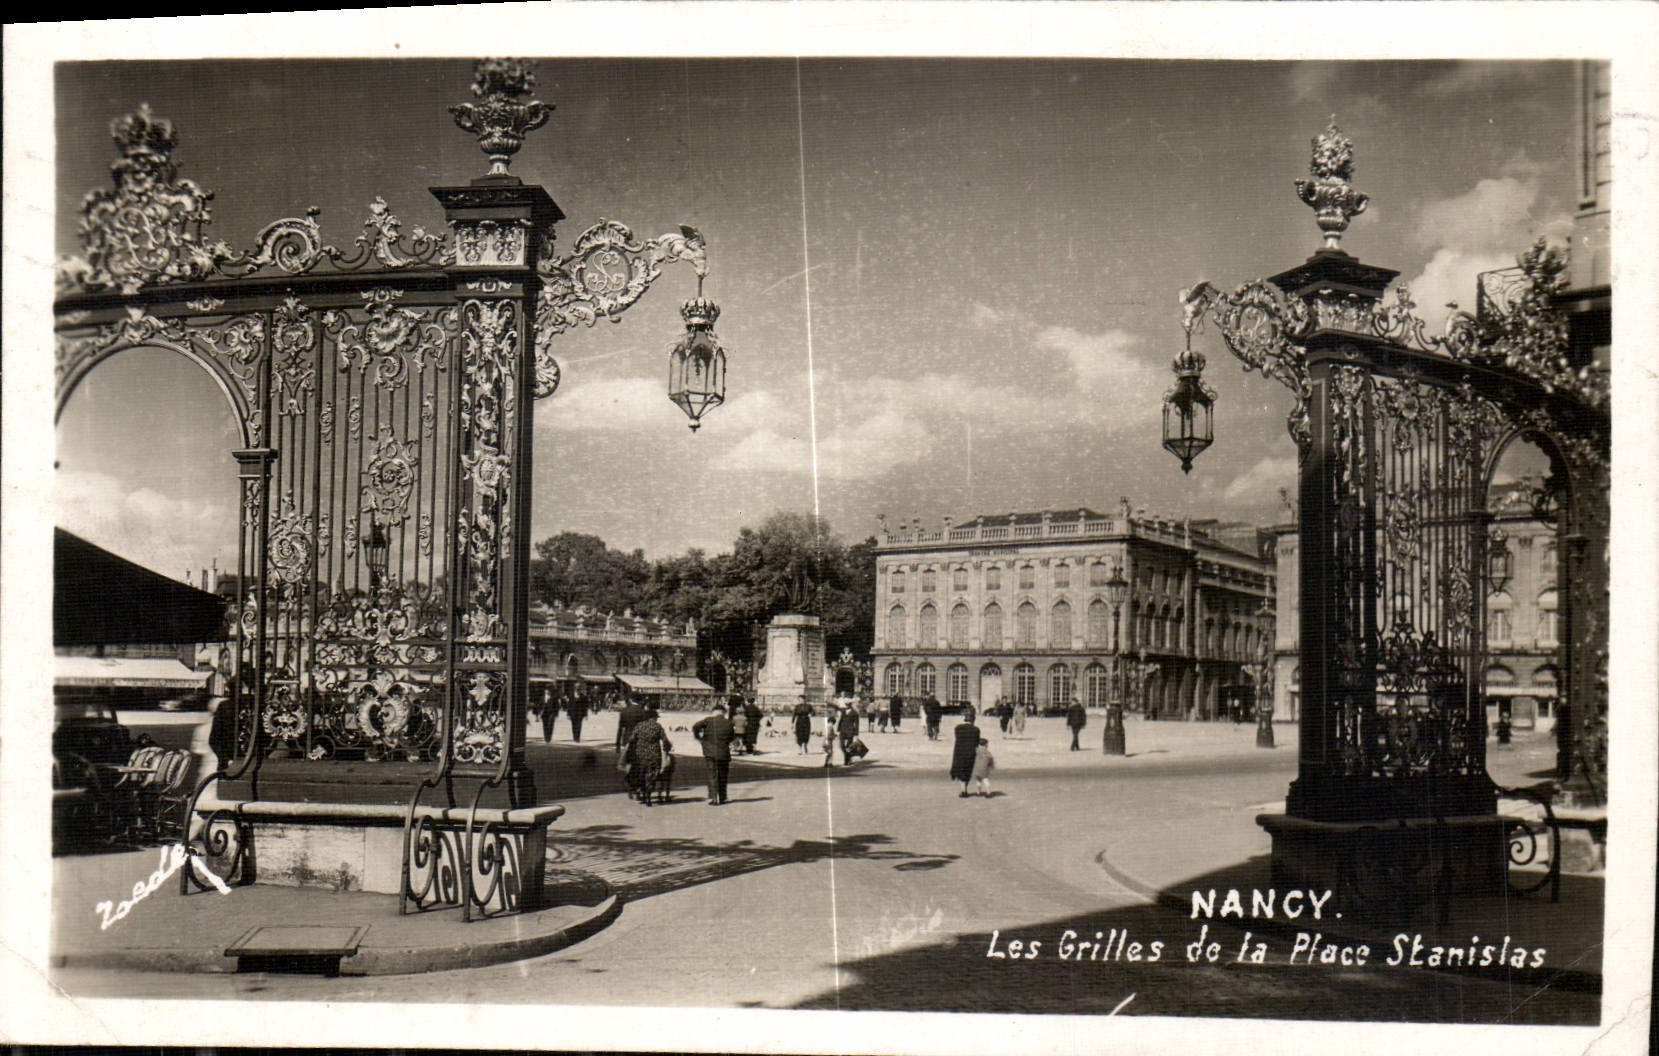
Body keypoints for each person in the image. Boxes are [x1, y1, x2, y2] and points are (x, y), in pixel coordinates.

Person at [619, 708, 672, 806]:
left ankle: (642, 794)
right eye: (656, 718)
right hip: (654, 755)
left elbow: (632, 739)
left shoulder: (639, 726)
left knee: (642, 774)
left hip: (640, 755)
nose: (656, 719)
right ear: (654, 717)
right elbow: (665, 741)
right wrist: (668, 749)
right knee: (651, 775)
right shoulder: (658, 727)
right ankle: (648, 796)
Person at [692, 703, 736, 805]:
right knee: (723, 775)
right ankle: (722, 796)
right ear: (723, 712)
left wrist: (699, 738)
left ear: (713, 712)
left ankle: (713, 797)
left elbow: (695, 726)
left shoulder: (708, 720)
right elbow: (732, 737)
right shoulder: (729, 723)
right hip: (723, 752)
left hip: (709, 751)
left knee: (712, 774)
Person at [950, 712, 980, 796]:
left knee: (960, 770)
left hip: (959, 751)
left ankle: (963, 789)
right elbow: (976, 743)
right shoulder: (976, 730)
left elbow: (957, 738)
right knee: (968, 771)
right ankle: (964, 789)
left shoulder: (958, 728)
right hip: (970, 752)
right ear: (973, 720)